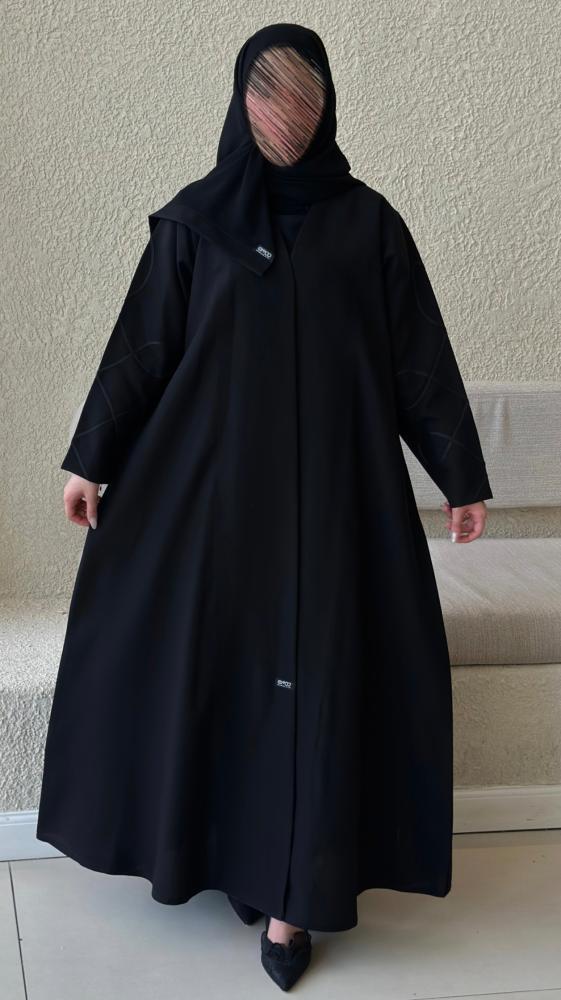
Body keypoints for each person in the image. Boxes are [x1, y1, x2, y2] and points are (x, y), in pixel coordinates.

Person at [37, 22, 493, 992]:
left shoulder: (368, 226)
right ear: (239, 102)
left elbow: (417, 356)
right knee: (220, 683)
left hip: (336, 512)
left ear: (326, 107)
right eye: (267, 93)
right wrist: (90, 461)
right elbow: (143, 349)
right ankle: (232, 863)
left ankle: (292, 902)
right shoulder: (195, 223)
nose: (285, 113)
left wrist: (460, 474)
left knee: (316, 692)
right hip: (210, 508)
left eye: (301, 95)